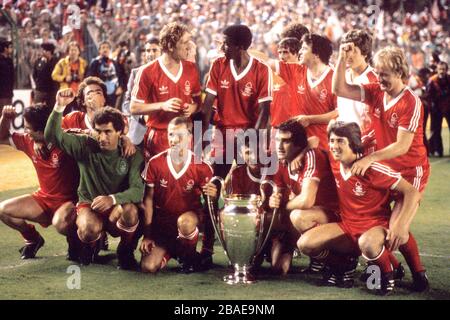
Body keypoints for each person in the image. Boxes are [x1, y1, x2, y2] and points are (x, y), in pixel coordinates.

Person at [333, 45, 430, 291]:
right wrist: (342, 59)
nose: (380, 78)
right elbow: (340, 88)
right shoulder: (376, 90)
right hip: (385, 168)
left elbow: (402, 146)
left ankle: (418, 274)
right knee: (386, 226)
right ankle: (394, 267)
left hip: (410, 172)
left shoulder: (411, 102)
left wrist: (369, 158)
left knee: (397, 230)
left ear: (400, 72)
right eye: (378, 72)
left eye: (385, 73)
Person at [299, 121, 421, 295]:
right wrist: (299, 155)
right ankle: (343, 264)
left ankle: (390, 273)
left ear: (354, 143)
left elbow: (412, 192)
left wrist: (400, 224)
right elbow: (312, 143)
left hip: (376, 227)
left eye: (340, 141)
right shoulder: (334, 163)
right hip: (348, 227)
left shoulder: (372, 168)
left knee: (367, 243)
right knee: (305, 244)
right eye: (332, 140)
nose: (334, 146)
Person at [44, 89, 144, 269]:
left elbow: (138, 191)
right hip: (89, 204)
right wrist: (59, 106)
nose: (102, 137)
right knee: (88, 228)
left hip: (115, 208)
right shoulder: (85, 145)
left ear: (120, 132)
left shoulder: (131, 153)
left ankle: (126, 252)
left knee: (132, 212)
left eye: (108, 132)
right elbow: (52, 136)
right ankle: (89, 246)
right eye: (98, 131)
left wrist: (112, 199)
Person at [0, 104, 78, 260]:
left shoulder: (67, 141)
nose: (25, 131)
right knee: (3, 210)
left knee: (61, 223)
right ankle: (33, 239)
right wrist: (5, 119)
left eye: (28, 128)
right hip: (43, 200)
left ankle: (78, 241)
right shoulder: (28, 141)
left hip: (70, 203)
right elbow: (1, 137)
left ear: (41, 131)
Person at [140, 117, 213, 274]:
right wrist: (147, 235)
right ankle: (173, 252)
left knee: (185, 222)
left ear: (190, 137)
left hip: (188, 220)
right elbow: (148, 200)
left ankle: (188, 256)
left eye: (180, 135)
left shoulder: (201, 166)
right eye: (171, 134)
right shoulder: (155, 163)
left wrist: (208, 248)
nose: (174, 139)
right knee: (148, 267)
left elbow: (210, 207)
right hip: (163, 225)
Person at [268, 119, 340, 275]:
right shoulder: (280, 161)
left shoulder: (312, 156)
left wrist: (283, 204)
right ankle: (280, 249)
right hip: (316, 213)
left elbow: (307, 200)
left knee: (298, 216)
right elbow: (278, 194)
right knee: (268, 217)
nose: (279, 146)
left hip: (335, 214)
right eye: (277, 140)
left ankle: (333, 259)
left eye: (286, 141)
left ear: (299, 144)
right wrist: (274, 200)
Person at [202, 24, 272, 178]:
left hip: (248, 134)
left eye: (226, 44)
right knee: (214, 181)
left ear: (240, 47)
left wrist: (251, 142)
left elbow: (264, 112)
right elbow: (207, 106)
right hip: (222, 133)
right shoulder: (218, 65)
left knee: (246, 185)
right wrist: (202, 140)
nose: (221, 47)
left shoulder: (262, 69)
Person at [130, 22, 201, 161]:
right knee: (159, 181)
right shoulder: (147, 71)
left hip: (185, 135)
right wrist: (162, 105)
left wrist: (192, 108)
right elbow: (133, 107)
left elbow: (198, 102)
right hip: (159, 136)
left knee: (184, 180)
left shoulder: (191, 68)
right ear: (170, 46)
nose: (189, 46)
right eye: (184, 42)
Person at [277, 34, 338, 150]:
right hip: (296, 147)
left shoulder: (335, 78)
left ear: (316, 55)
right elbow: (266, 62)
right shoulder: (296, 71)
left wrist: (309, 119)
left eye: (304, 48)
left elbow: (338, 113)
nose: (300, 52)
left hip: (322, 147)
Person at [336, 30, 378, 153]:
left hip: (366, 147)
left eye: (354, 50)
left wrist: (360, 142)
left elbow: (378, 120)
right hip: (344, 146)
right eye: (346, 50)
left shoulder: (374, 79)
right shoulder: (342, 76)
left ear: (365, 53)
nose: (348, 55)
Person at [122, 38, 161, 147]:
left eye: (154, 50)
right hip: (138, 133)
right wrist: (142, 115)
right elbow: (126, 104)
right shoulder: (135, 73)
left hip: (160, 132)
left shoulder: (168, 75)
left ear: (162, 52)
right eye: (148, 51)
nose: (151, 54)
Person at [87, 41, 126, 108]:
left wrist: (121, 87)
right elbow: (90, 78)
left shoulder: (115, 62)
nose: (105, 49)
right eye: (103, 48)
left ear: (110, 50)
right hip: (101, 93)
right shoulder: (95, 63)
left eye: (107, 48)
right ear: (99, 50)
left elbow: (123, 76)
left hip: (115, 93)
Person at [427, 61, 449, 157]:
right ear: (437, 70)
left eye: (443, 69)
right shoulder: (432, 80)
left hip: (449, 108)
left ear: (447, 70)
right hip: (436, 109)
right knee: (436, 131)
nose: (442, 71)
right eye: (440, 69)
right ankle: (438, 151)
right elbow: (428, 95)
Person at [32, 42, 59, 108]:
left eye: (45, 50)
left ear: (49, 52)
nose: (42, 52)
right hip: (40, 90)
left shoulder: (56, 62)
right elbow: (34, 75)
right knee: (37, 109)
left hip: (52, 91)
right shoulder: (38, 61)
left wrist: (46, 63)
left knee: (51, 109)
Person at [0, 39, 14, 113]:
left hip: (8, 94)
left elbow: (12, 77)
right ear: (5, 48)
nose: (11, 49)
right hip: (2, 95)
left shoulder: (9, 60)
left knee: (8, 117)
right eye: (10, 47)